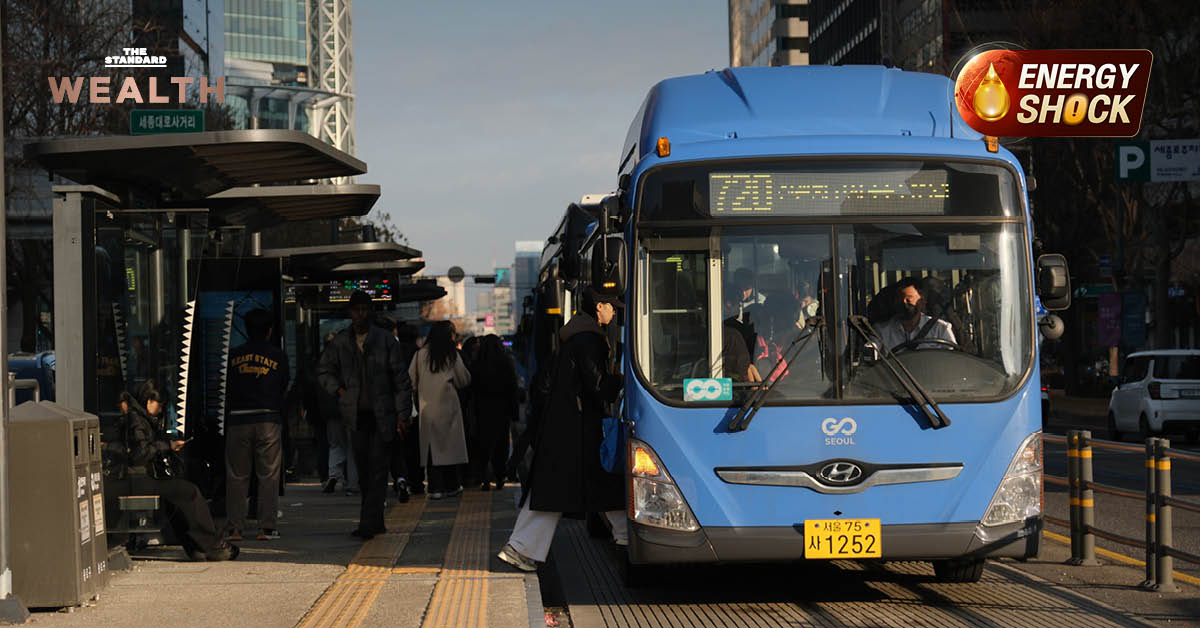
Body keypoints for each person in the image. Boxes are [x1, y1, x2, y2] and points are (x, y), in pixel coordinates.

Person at [498, 287, 626, 572]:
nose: (614, 311)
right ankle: (627, 540)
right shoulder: (589, 341)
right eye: (611, 306)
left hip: (567, 428)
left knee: (562, 490)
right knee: (598, 485)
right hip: (578, 430)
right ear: (598, 307)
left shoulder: (575, 337)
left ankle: (521, 547)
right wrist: (621, 380)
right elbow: (597, 386)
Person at [318, 291, 414, 540]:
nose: (360, 314)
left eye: (364, 309)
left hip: (383, 414)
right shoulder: (341, 342)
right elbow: (323, 371)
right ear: (349, 312)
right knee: (364, 469)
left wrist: (403, 416)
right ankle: (375, 520)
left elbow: (401, 381)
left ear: (370, 311)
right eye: (356, 309)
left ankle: (368, 523)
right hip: (355, 415)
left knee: (379, 468)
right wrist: (340, 392)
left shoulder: (385, 341)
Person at [120, 384, 238, 561]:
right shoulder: (136, 419)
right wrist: (167, 446)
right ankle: (211, 544)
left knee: (177, 499)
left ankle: (197, 546)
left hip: (141, 476)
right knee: (189, 493)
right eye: (159, 405)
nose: (160, 410)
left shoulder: (141, 418)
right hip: (139, 477)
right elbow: (140, 454)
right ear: (149, 401)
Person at [225, 308, 289, 542]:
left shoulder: (233, 356)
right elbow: (284, 384)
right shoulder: (278, 356)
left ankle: (235, 528)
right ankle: (267, 528)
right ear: (270, 330)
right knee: (268, 475)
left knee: (237, 476)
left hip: (238, 419)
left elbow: (228, 388)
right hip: (268, 418)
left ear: (247, 330)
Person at [409, 321, 472, 499]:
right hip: (449, 408)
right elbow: (464, 380)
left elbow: (410, 381)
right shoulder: (452, 355)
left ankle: (435, 488)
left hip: (427, 408)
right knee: (450, 449)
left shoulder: (420, 355)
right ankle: (452, 485)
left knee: (432, 450)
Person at [469, 335, 519, 491]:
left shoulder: (477, 364)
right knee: (501, 444)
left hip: (482, 409)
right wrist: (514, 411)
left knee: (483, 443)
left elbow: (472, 389)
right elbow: (513, 388)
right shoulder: (506, 363)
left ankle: (484, 477)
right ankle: (499, 476)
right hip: (502, 410)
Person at [869, 277, 957, 356]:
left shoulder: (941, 329)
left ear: (922, 301)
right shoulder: (882, 331)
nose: (904, 303)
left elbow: (952, 361)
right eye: (900, 298)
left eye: (908, 299)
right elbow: (871, 349)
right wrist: (869, 350)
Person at [320, 331, 358, 495]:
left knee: (335, 444)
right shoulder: (350, 361)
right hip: (349, 410)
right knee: (352, 447)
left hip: (331, 412)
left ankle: (334, 476)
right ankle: (353, 484)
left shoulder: (320, 362)